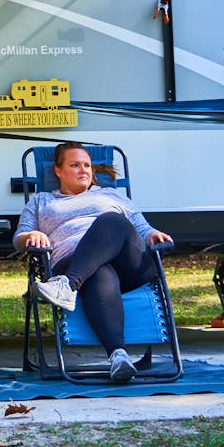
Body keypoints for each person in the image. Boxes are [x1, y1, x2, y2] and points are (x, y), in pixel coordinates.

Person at [14, 142, 173, 382]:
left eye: (87, 165)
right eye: (74, 165)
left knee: (112, 220)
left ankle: (66, 286)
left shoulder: (110, 195)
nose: (84, 170)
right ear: (58, 171)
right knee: (100, 271)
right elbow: (19, 238)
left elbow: (140, 226)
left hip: (127, 266)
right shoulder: (41, 201)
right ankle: (119, 357)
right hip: (73, 263)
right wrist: (31, 236)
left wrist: (151, 233)